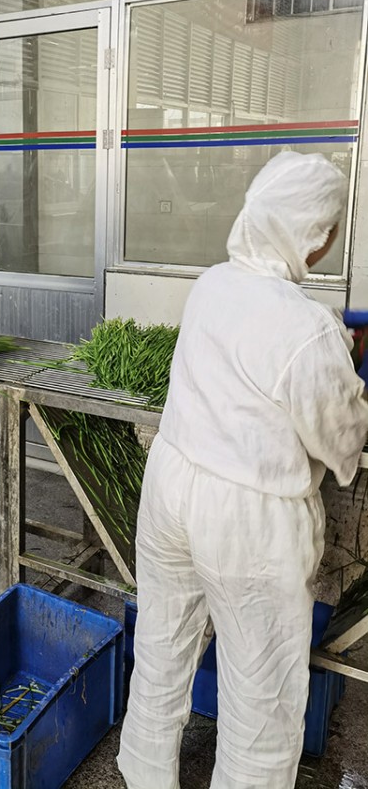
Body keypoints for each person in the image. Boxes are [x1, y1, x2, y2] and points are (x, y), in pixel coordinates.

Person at [117, 151, 368, 789]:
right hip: (248, 521)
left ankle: (143, 775)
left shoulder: (213, 284)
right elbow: (342, 439)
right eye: (331, 227)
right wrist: (345, 369)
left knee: (161, 648)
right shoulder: (307, 329)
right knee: (261, 696)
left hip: (171, 487)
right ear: (312, 234)